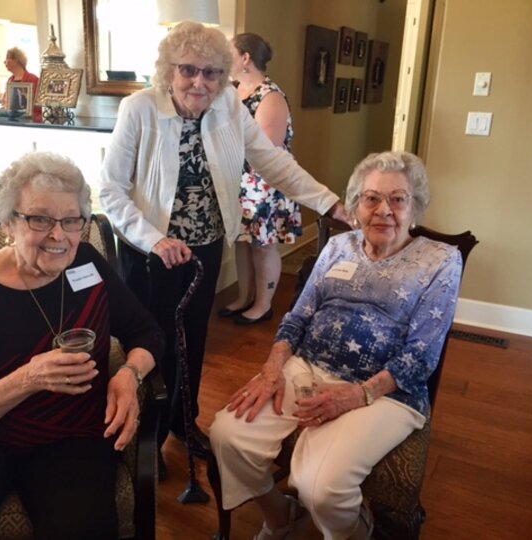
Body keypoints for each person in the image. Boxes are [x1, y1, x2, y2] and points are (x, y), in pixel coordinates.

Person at [98, 21, 347, 471]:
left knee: (192, 339)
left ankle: (183, 422)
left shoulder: (228, 106)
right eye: (188, 70)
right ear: (168, 70)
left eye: (212, 72)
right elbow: (111, 191)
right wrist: (155, 239)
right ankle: (145, 440)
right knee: (150, 344)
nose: (200, 82)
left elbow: (273, 162)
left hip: (204, 251)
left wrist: (330, 203)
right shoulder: (140, 110)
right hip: (149, 254)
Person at [0, 152, 164, 539]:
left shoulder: (87, 264)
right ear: (8, 222)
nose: (59, 235)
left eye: (71, 220)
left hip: (70, 438)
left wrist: (128, 374)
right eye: (39, 219)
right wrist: (27, 379)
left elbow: (146, 331)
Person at [210, 151, 463, 540]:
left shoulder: (440, 260)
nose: (383, 210)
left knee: (321, 486)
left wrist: (357, 395)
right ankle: (281, 517)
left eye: (398, 199)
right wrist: (272, 369)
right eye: (371, 198)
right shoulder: (338, 247)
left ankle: (352, 531)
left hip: (384, 391)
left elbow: (422, 354)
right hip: (308, 367)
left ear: (416, 207)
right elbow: (296, 317)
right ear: (356, 205)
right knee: (228, 434)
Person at [218, 32, 301, 325]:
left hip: (263, 184)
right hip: (238, 181)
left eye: (230, 52)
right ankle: (244, 297)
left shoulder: (270, 96)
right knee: (242, 241)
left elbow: (268, 150)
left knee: (263, 245)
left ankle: (263, 305)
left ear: (245, 58)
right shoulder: (232, 90)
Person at [2, 46, 41, 120]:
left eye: (7, 59)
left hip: (29, 121)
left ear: (16, 60)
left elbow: (39, 106)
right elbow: (5, 103)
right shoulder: (10, 80)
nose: (5, 62)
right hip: (13, 121)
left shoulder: (33, 79)